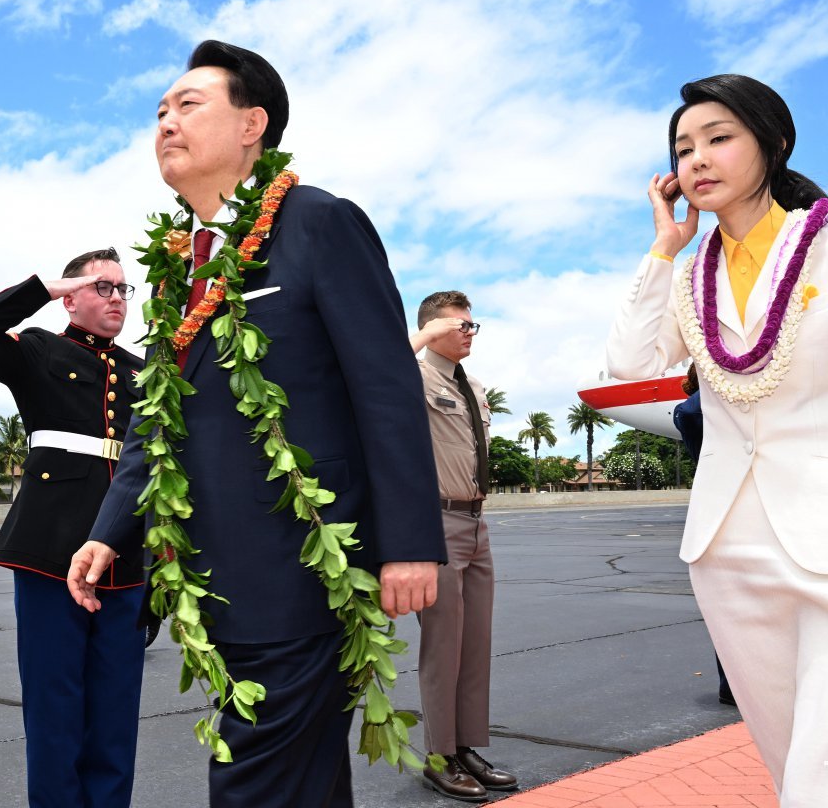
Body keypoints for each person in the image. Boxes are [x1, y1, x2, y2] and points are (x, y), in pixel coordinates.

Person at [65, 40, 447, 808]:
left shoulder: (318, 224)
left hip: (303, 570)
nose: (167, 122)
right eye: (160, 111)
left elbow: (385, 387)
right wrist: (110, 529)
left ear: (253, 126)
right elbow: (155, 424)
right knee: (302, 782)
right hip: (216, 581)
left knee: (257, 784)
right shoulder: (180, 268)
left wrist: (409, 543)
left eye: (189, 105)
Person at [605, 74, 828, 805]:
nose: (697, 160)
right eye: (683, 149)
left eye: (718, 138)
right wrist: (663, 249)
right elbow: (629, 365)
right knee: (794, 767)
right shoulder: (690, 280)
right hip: (730, 552)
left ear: (773, 144)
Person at [0, 248, 146, 808]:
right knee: (54, 704)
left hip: (126, 555)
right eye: (102, 287)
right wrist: (45, 287)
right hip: (50, 548)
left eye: (123, 289)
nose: (115, 298)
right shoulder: (39, 349)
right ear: (73, 295)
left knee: (115, 709)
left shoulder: (141, 372)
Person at [408, 291, 516, 803]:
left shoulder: (471, 385)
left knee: (474, 646)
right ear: (432, 328)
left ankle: (467, 746)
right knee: (442, 649)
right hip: (438, 521)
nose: (471, 332)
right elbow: (375, 376)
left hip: (476, 524)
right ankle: (438, 756)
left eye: (475, 325)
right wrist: (423, 338)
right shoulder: (416, 376)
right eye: (460, 325)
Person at [672, 365, 734, 706]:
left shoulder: (689, 411)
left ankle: (733, 683)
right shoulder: (696, 410)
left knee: (728, 607)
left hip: (716, 510)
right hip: (731, 508)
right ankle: (736, 684)